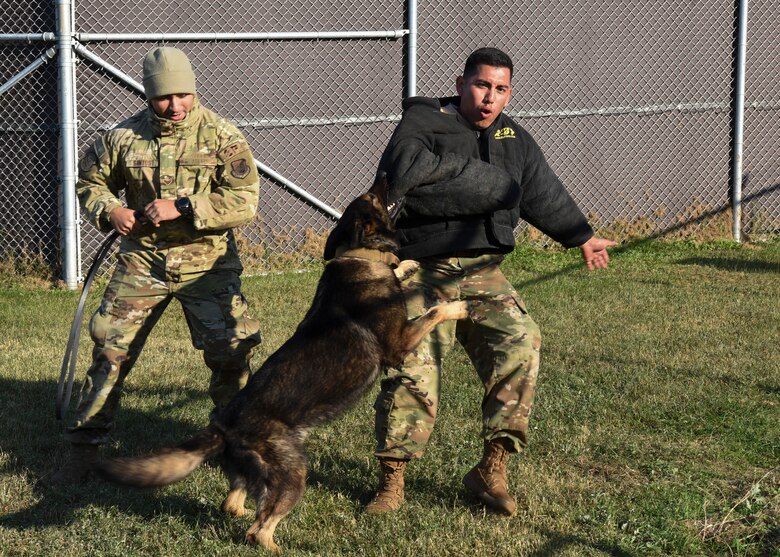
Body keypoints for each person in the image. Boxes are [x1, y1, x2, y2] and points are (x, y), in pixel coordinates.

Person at [365, 47, 616, 515]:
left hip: (483, 269)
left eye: (500, 90)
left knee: (521, 342)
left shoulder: (513, 138)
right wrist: (491, 192)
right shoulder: (424, 124)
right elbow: (404, 178)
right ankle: (391, 480)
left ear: (509, 94)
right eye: (481, 86)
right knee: (413, 365)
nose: (489, 98)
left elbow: (540, 190)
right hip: (423, 266)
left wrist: (579, 235)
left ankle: (490, 468)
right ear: (461, 84)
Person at [53, 47, 262, 483]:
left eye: (184, 95)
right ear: (148, 95)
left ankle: (239, 445)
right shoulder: (122, 138)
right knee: (110, 350)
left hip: (207, 266)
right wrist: (111, 210)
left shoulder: (223, 136)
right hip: (142, 263)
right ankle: (84, 450)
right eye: (165, 98)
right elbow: (90, 182)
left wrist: (184, 206)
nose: (176, 106)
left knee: (230, 354)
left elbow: (245, 202)